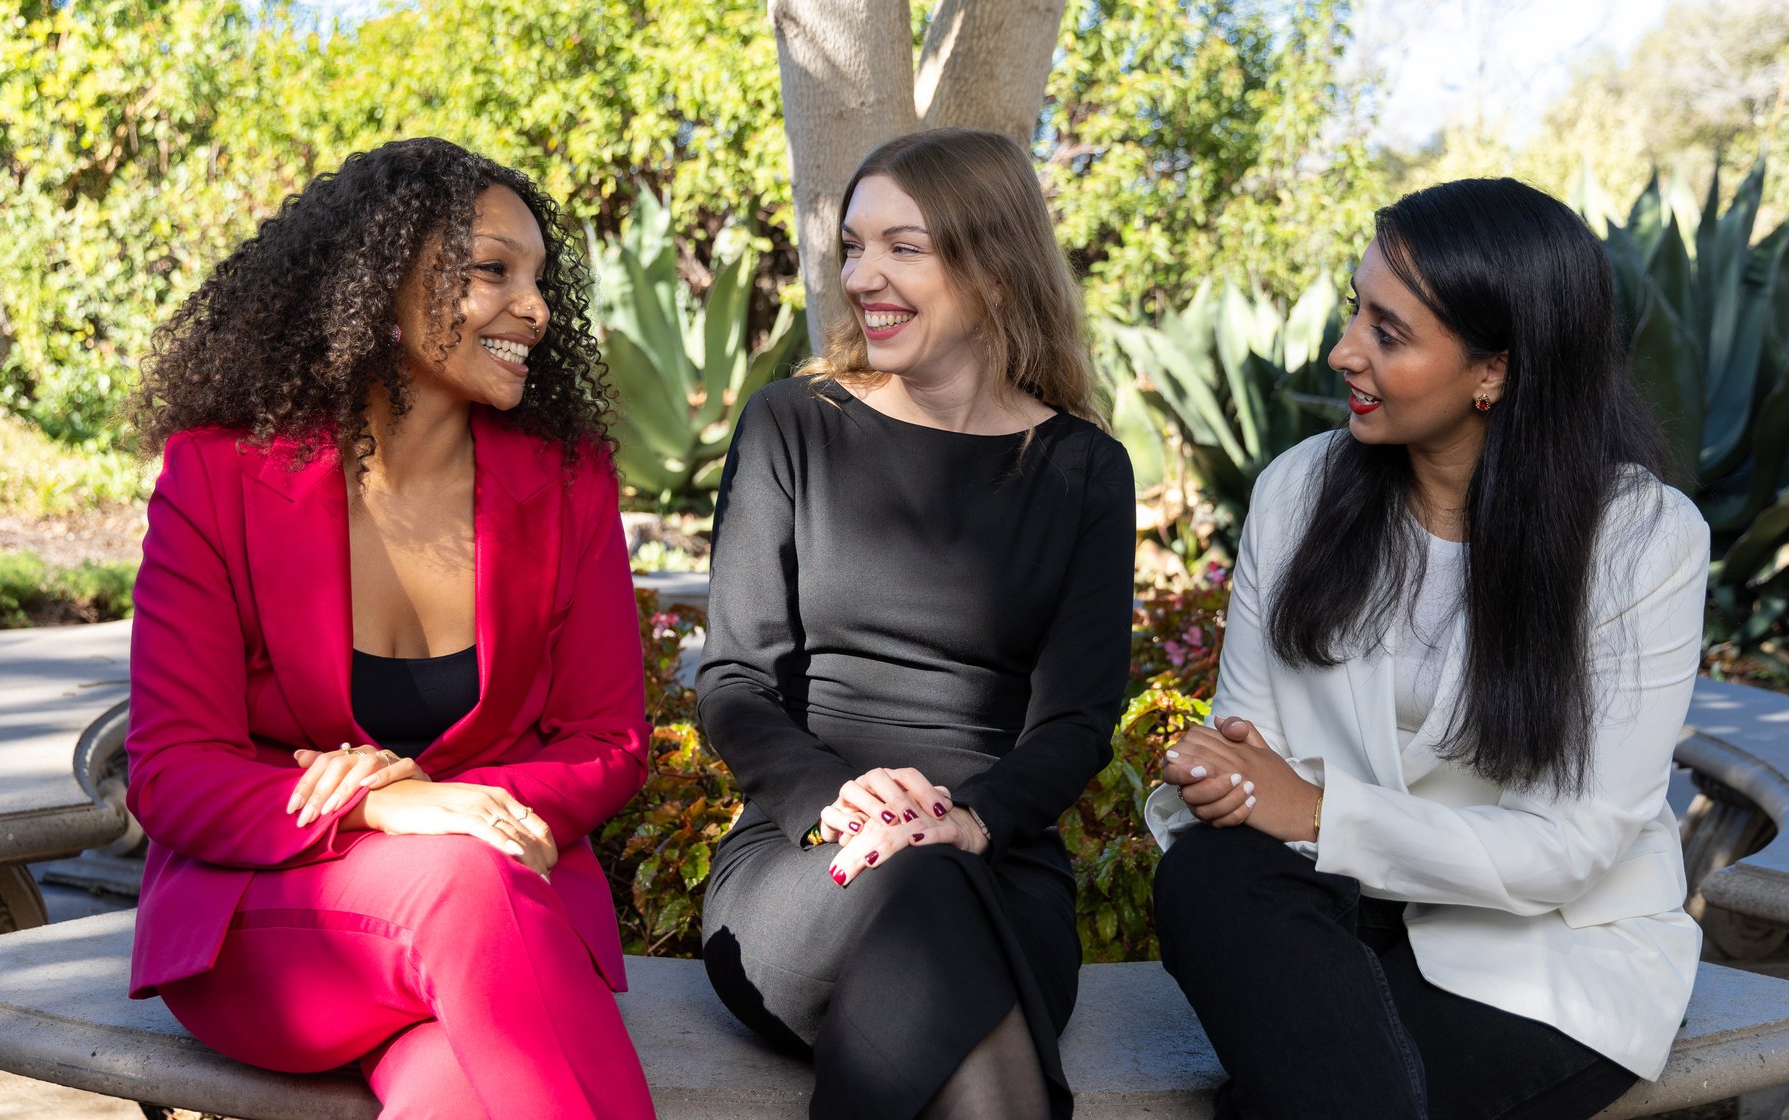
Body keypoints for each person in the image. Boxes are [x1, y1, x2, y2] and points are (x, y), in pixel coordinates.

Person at [1146, 177, 1706, 1119]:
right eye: (1356, 311)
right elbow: (1251, 745)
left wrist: (1322, 812)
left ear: (1496, 371)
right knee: (1208, 872)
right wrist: (1227, 779)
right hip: (1328, 916)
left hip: (1546, 950)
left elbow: (1568, 845)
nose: (1343, 351)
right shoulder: (1299, 491)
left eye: (1388, 334)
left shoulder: (1641, 541)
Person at [125, 138, 656, 1120]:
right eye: (493, 269)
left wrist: (451, 800)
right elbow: (172, 768)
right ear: (382, 277)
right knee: (463, 881)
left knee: (458, 1093)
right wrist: (383, 807)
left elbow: (608, 741)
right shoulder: (218, 475)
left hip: (501, 936)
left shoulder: (566, 479)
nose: (534, 308)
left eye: (540, 278)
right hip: (275, 927)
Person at [695, 127, 1135, 1120]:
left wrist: (967, 818)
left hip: (999, 861)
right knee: (925, 894)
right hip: (808, 865)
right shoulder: (793, 427)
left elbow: (1075, 721)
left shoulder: (1083, 472)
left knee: (940, 883)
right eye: (852, 245)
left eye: (904, 246)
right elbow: (734, 683)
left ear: (994, 262)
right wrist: (847, 801)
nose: (863, 276)